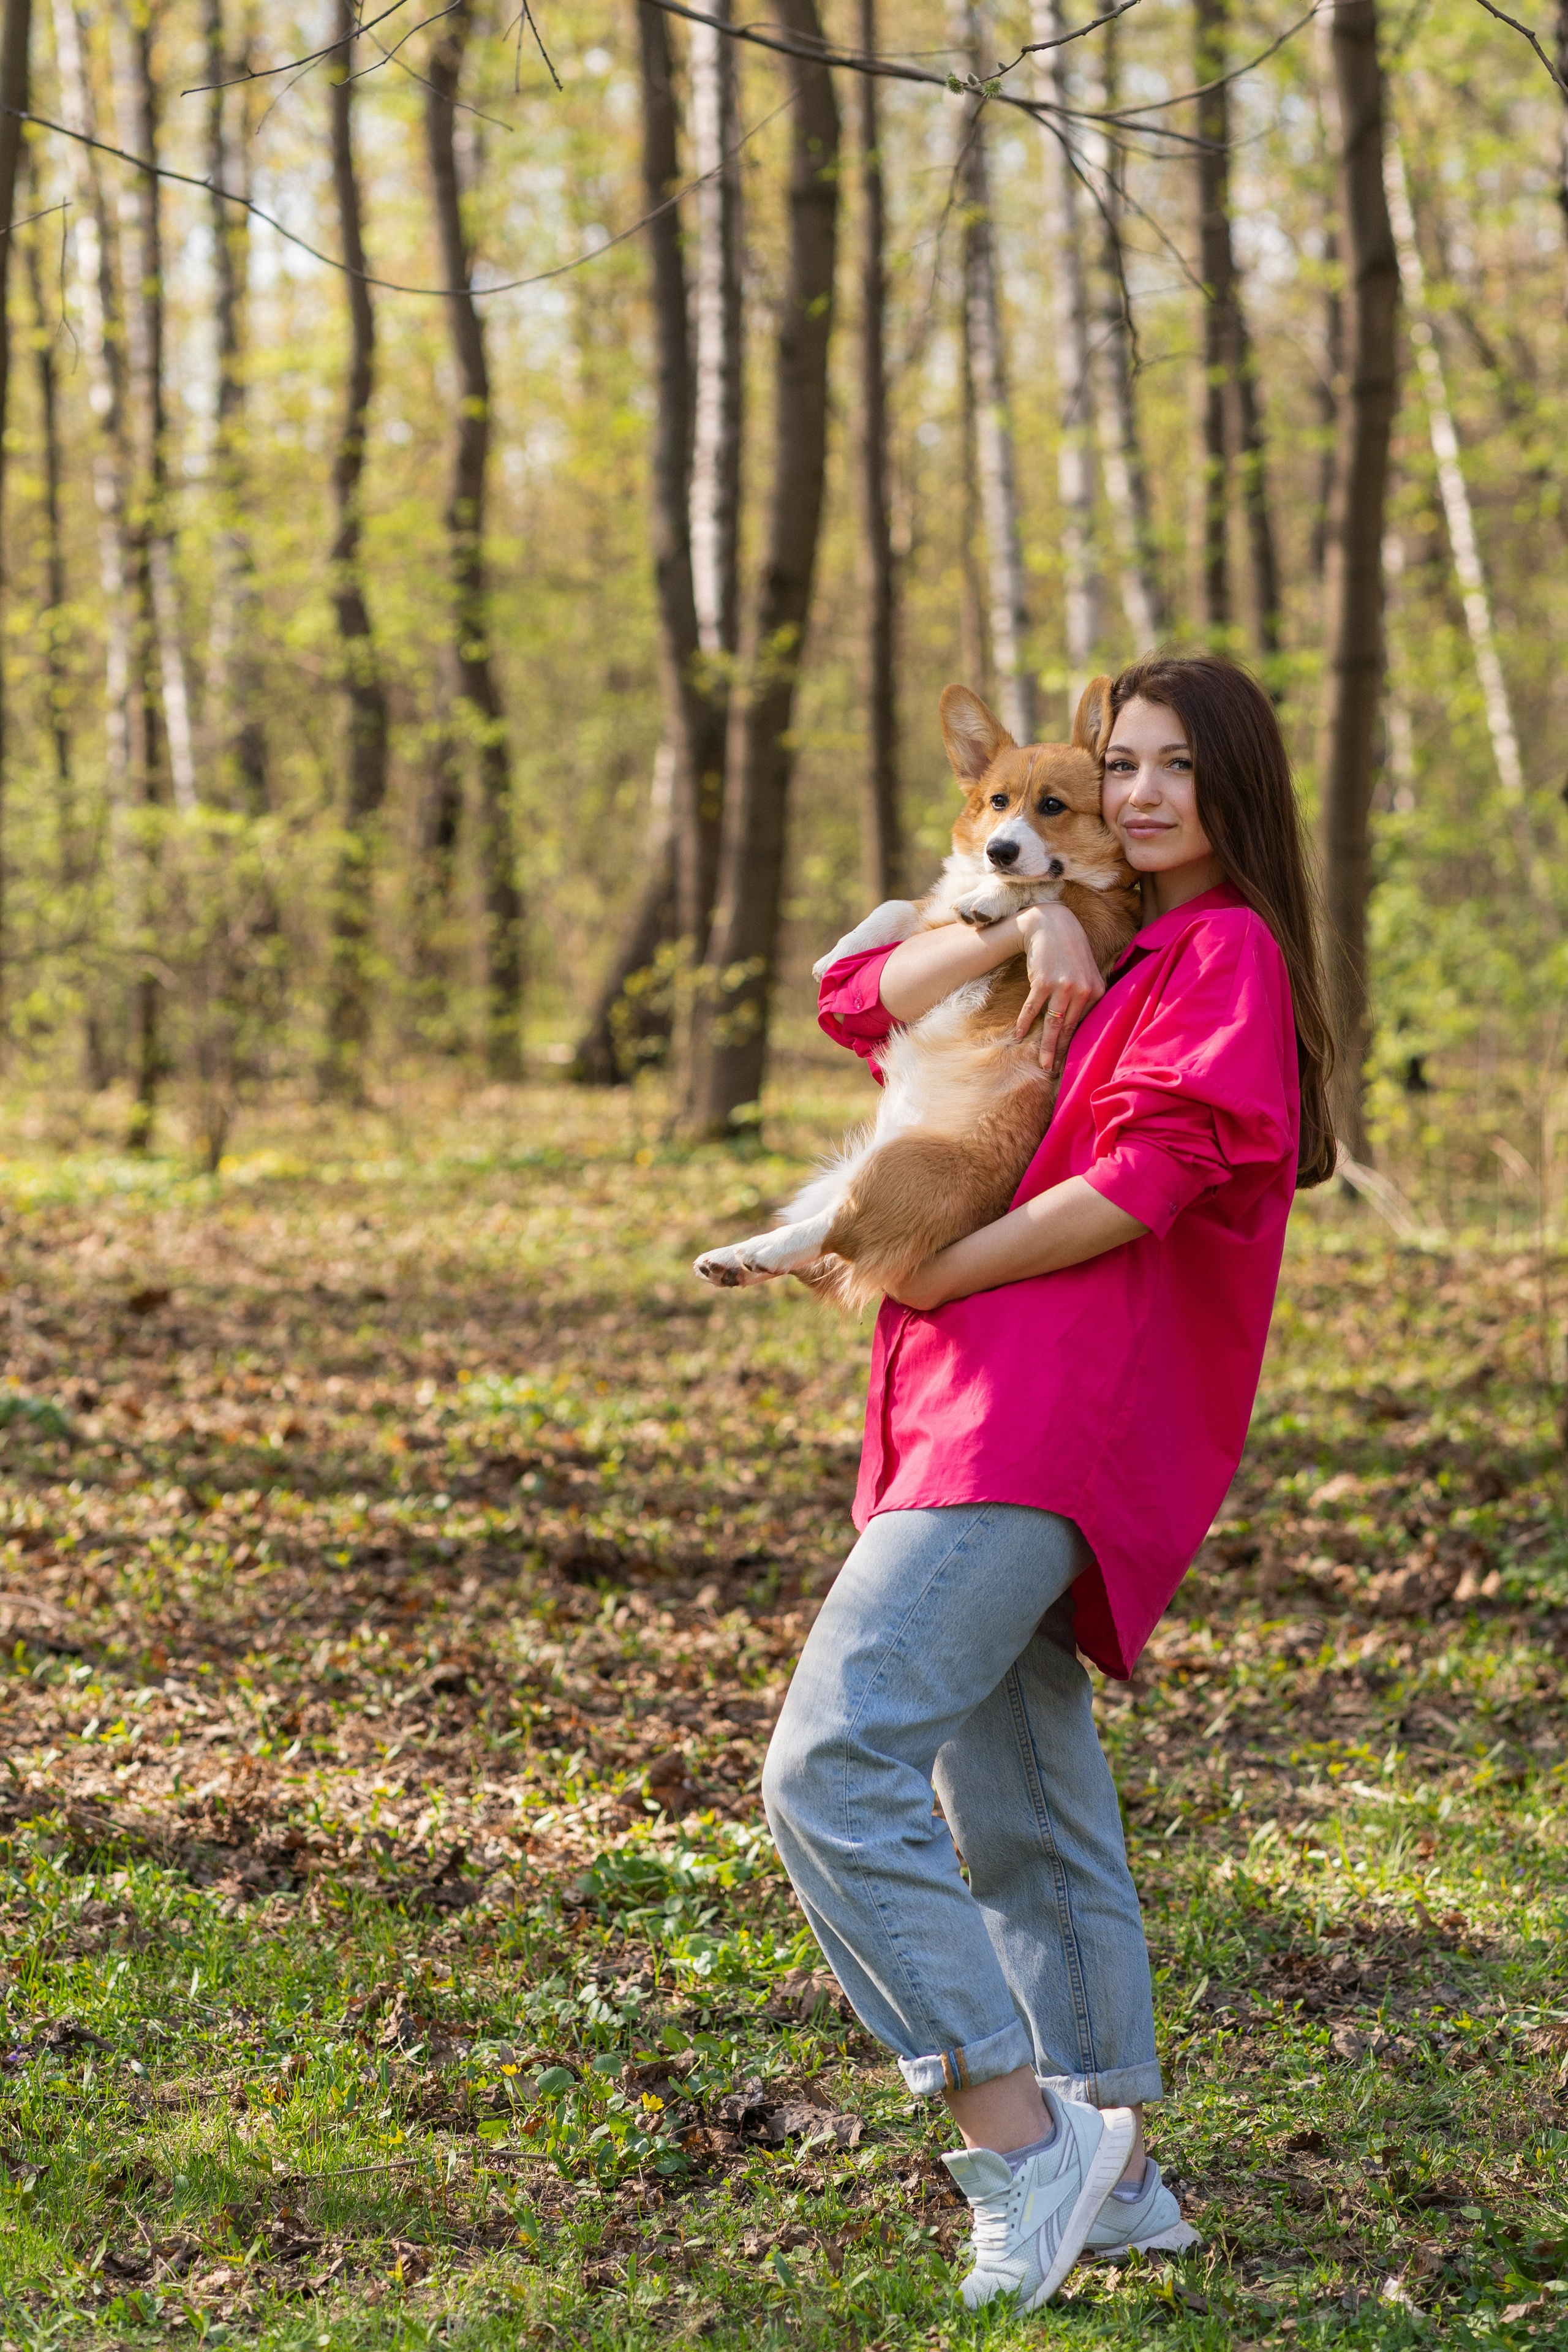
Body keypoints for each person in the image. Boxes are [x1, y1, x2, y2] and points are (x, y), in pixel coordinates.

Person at [758, 653, 1336, 2313]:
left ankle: (1021, 2142)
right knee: (1021, 1805)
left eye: (1175, 768)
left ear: (1236, 788)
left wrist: (943, 1269)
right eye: (1124, 764)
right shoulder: (1096, 926)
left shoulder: (1220, 952)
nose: (1142, 794)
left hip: (1041, 1416)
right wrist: (1030, 921)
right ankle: (1121, 2174)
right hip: (961, 1415)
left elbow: (1149, 1180)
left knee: (834, 1762)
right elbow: (852, 1000)